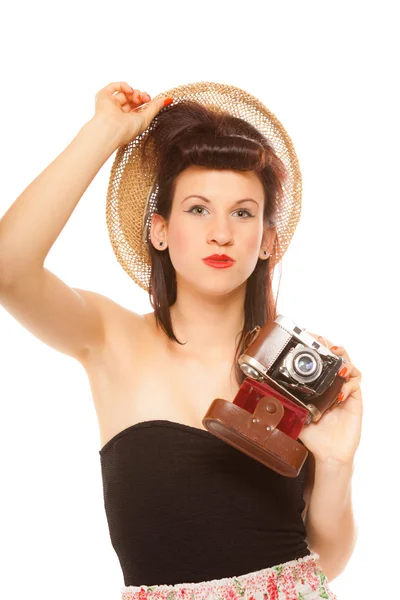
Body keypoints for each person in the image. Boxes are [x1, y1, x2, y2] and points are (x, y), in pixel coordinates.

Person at [0, 81, 362, 600]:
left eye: (243, 212)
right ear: (159, 230)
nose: (221, 233)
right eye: (198, 209)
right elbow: (8, 269)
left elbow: (324, 562)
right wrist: (105, 131)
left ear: (267, 241)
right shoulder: (110, 338)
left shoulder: (292, 371)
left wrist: (336, 462)